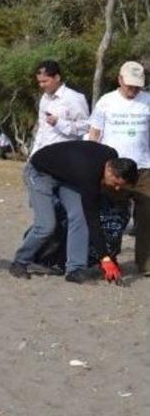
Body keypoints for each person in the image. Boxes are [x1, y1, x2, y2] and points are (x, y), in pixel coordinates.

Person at [9, 141, 138, 284]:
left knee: (80, 217)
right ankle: (19, 262)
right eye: (116, 184)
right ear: (109, 171)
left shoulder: (111, 156)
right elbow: (93, 220)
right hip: (40, 172)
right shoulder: (89, 176)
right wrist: (105, 258)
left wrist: (106, 257)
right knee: (46, 225)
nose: (117, 189)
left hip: (67, 178)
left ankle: (75, 269)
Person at [88, 61, 150, 276]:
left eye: (138, 86)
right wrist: (93, 164)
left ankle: (145, 263)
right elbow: (94, 134)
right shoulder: (106, 102)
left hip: (143, 168)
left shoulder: (148, 101)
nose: (133, 90)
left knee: (146, 216)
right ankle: (108, 258)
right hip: (113, 170)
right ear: (120, 80)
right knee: (114, 217)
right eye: (130, 85)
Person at [30, 60, 90, 155]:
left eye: (45, 81)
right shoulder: (44, 98)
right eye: (39, 82)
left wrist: (59, 123)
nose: (41, 85)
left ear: (57, 78)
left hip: (65, 157)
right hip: (43, 155)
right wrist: (33, 155)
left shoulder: (74, 98)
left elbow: (85, 127)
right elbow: (42, 129)